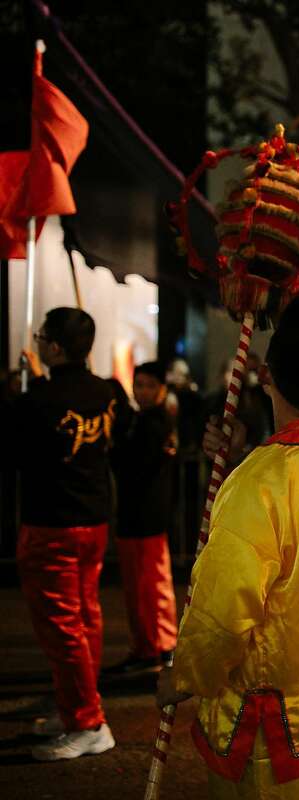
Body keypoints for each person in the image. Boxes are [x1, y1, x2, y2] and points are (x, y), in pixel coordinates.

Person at [156, 298, 299, 799]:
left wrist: (187, 674)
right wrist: (242, 457)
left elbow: (225, 609)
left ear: (267, 375)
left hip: (268, 716)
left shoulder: (257, 483)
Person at [5, 308, 116, 760]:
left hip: (52, 524)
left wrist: (23, 392)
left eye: (42, 338)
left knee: (63, 627)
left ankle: (88, 722)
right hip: (93, 520)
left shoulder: (41, 401)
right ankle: (77, 705)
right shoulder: (103, 392)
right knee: (84, 619)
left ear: (53, 348)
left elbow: (14, 449)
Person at [104, 361, 179, 676]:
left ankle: (149, 647)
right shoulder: (148, 419)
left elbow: (130, 464)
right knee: (152, 584)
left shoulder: (153, 422)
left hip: (144, 515)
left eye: (149, 385)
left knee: (145, 586)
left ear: (162, 389)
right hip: (144, 515)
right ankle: (160, 643)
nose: (143, 391)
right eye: (139, 384)